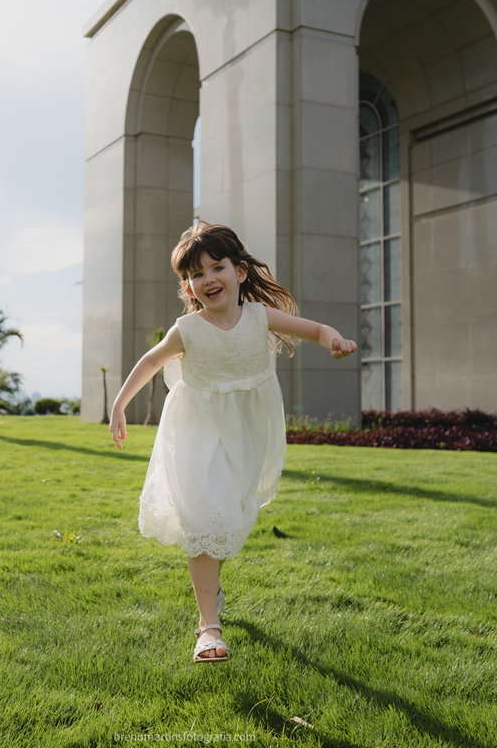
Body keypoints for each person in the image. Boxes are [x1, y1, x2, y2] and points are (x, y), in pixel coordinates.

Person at [109, 222, 357, 664]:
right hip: (198, 431)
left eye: (216, 267)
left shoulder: (260, 317)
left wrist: (333, 339)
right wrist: (119, 405)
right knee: (204, 521)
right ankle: (209, 627)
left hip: (246, 431)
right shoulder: (187, 329)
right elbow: (150, 361)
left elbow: (316, 329)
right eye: (195, 274)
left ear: (240, 272)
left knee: (226, 520)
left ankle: (212, 592)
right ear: (188, 286)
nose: (207, 279)